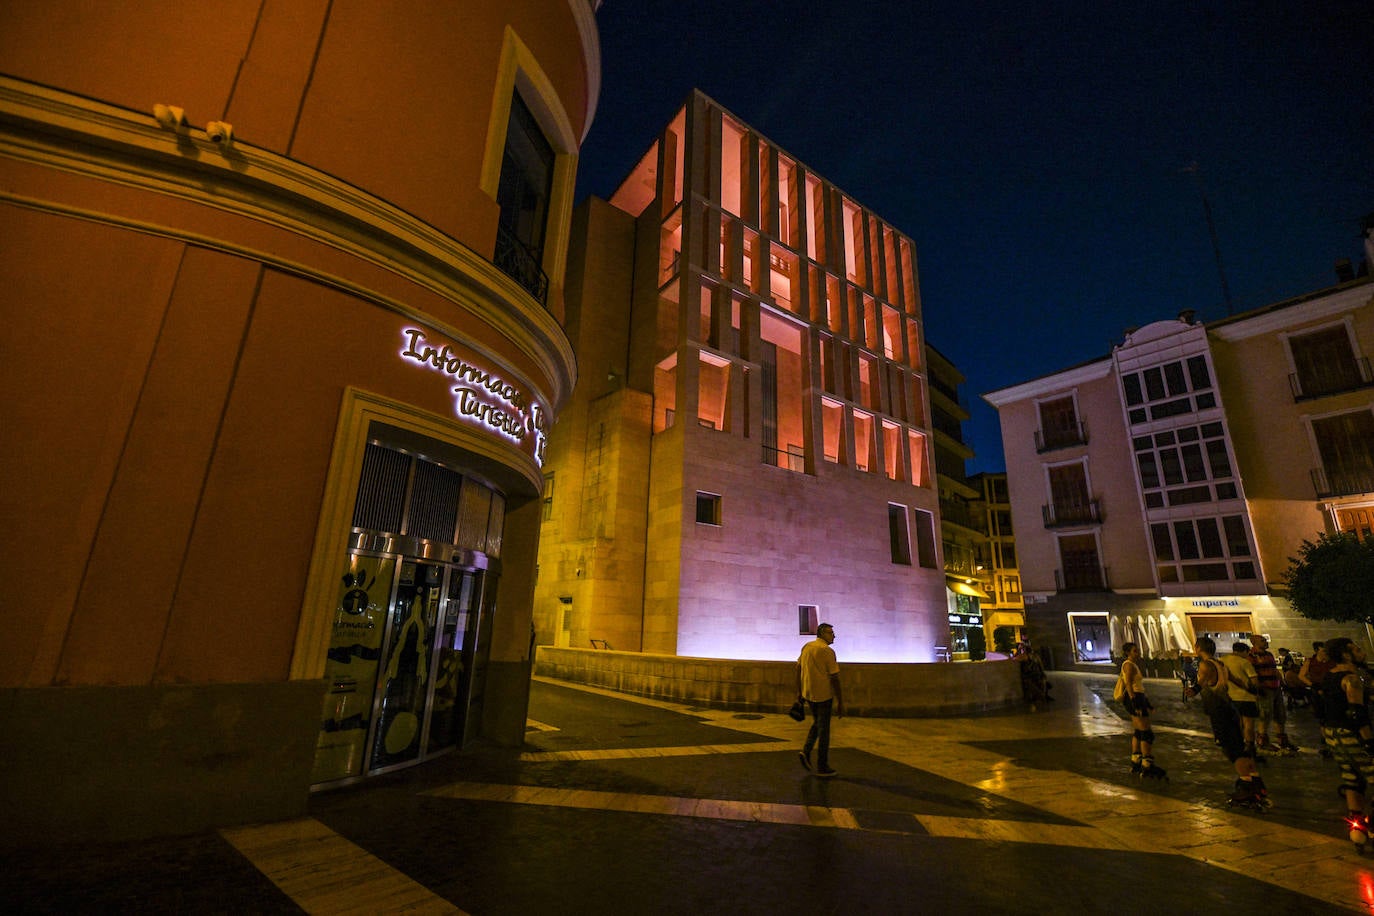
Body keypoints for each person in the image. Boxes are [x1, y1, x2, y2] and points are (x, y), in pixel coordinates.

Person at [1194, 637, 1267, 807]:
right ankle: (1257, 782)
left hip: (1219, 711)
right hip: (1229, 708)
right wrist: (1253, 690)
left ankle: (1246, 787)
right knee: (1240, 747)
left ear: (1198, 648)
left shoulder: (1205, 665)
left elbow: (1201, 682)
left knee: (1233, 751)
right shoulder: (1221, 664)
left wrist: (1192, 690)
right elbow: (1238, 681)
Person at [1320, 637, 1374, 846]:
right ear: (1346, 654)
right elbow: (1356, 713)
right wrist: (1368, 741)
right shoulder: (1351, 679)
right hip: (1352, 735)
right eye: (1356, 649)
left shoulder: (1329, 676)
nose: (1362, 652)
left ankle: (1357, 825)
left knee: (1351, 779)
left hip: (1333, 735)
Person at [796, 622, 843, 777]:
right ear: (822, 633)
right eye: (830, 632)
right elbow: (834, 677)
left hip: (808, 693)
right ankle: (822, 766)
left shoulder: (807, 647)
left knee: (818, 723)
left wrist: (800, 691)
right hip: (823, 695)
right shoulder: (827, 651)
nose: (834, 635)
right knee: (824, 731)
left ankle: (806, 751)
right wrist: (841, 700)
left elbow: (798, 668)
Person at [1118, 642, 1166, 779]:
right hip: (1135, 698)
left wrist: (1147, 704)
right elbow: (1129, 684)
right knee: (1146, 732)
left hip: (1138, 698)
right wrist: (1135, 703)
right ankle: (1147, 763)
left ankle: (1136, 760)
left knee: (1139, 731)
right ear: (1128, 653)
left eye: (1137, 650)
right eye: (1134, 651)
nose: (1137, 653)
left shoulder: (1131, 665)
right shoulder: (1128, 665)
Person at [1249, 634, 1297, 754]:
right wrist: (1258, 689)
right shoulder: (1251, 656)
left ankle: (1282, 740)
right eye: (1262, 640)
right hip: (1265, 689)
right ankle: (1262, 740)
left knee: (1280, 714)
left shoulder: (1269, 655)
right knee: (1265, 715)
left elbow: (1275, 670)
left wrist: (1282, 683)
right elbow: (1252, 674)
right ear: (1254, 643)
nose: (1266, 642)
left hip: (1275, 688)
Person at [1221, 641, 1261, 757]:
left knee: (1236, 724)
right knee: (1248, 724)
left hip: (1229, 698)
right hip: (1246, 698)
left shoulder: (1222, 661)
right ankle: (1250, 748)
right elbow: (1255, 682)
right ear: (1244, 651)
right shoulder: (1244, 662)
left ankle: (1238, 746)